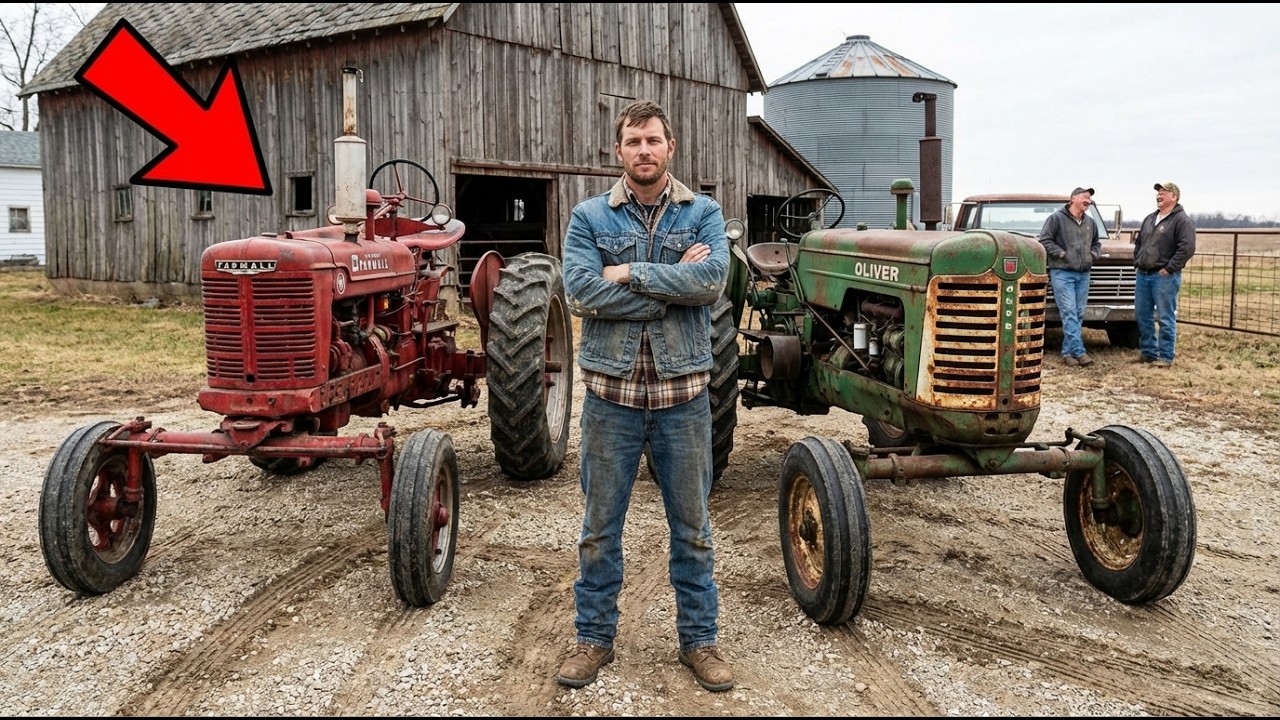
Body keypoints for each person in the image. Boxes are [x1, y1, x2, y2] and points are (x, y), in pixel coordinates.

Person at [557, 100, 733, 692]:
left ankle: (700, 642)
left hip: (683, 395)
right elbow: (580, 289)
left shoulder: (703, 212)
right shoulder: (588, 217)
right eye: (633, 141)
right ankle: (593, 638)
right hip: (612, 395)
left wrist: (627, 273)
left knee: (693, 527)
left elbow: (711, 282)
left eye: (653, 140)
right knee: (600, 526)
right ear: (618, 151)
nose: (644, 151)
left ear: (671, 147)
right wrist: (669, 283)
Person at [1133, 182, 1196, 368]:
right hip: (1143, 274)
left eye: (1163, 193)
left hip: (1164, 277)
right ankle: (1148, 352)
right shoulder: (1150, 219)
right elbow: (1139, 243)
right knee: (1142, 314)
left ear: (1174, 197)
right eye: (1157, 193)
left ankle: (1166, 356)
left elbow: (1187, 248)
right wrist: (1137, 260)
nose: (1158, 196)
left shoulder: (1181, 220)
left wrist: (1169, 268)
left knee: (1165, 316)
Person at [1039, 187, 1101, 367]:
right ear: (1072, 198)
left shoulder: (1090, 222)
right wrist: (1060, 253)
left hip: (1083, 274)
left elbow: (1097, 243)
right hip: (1062, 272)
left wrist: (1093, 254)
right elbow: (1045, 240)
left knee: (1078, 313)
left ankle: (1068, 353)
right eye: (1085, 197)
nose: (1088, 200)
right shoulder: (1056, 219)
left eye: (1089, 198)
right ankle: (1080, 352)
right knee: (1069, 312)